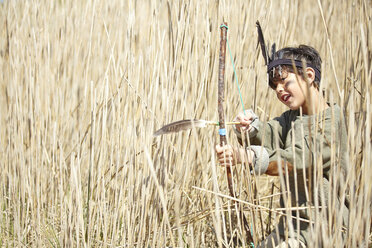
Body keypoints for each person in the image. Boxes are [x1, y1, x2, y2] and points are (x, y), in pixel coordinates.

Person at [215, 45, 350, 247]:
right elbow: (271, 133)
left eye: (285, 81)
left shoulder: (330, 123)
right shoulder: (293, 117)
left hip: (324, 230)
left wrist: (247, 157)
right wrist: (250, 128)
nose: (279, 89)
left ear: (310, 75)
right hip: (290, 226)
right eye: (275, 85)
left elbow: (296, 160)